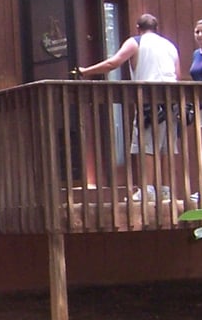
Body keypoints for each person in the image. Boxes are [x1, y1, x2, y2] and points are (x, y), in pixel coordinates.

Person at [76, 13, 179, 193]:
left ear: (138, 28)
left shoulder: (136, 42)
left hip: (149, 100)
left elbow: (113, 63)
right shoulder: (170, 46)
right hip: (171, 100)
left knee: (147, 145)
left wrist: (86, 71)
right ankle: (165, 189)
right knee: (165, 146)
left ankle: (148, 190)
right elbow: (177, 74)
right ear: (156, 28)